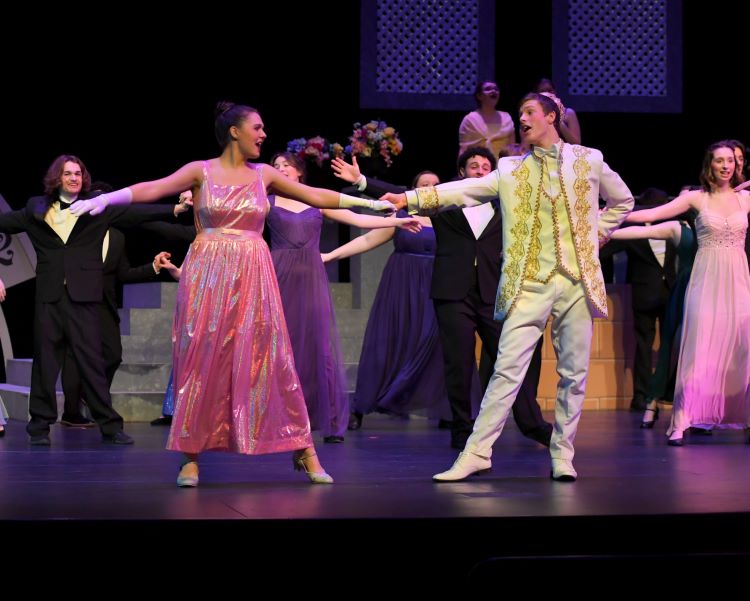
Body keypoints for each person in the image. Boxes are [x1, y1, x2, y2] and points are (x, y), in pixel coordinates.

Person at [71, 102, 396, 486]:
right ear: (234, 132)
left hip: (253, 271)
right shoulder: (201, 170)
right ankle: (190, 456)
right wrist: (106, 198)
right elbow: (153, 188)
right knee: (201, 358)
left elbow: (315, 195)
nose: (263, 134)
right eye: (256, 127)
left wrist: (369, 201)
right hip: (207, 271)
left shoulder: (265, 175)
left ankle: (304, 450)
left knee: (271, 358)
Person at [383, 93, 634, 481]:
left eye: (530, 112)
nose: (522, 119)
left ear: (551, 116)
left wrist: (594, 235)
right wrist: (409, 198)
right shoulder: (511, 168)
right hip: (529, 282)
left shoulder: (589, 160)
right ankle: (477, 452)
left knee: (574, 373)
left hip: (577, 281)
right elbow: (461, 191)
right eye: (519, 115)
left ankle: (562, 453)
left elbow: (622, 200)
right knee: (505, 370)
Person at [335, 148, 551, 450]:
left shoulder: (507, 203)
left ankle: (532, 423)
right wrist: (361, 181)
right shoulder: (446, 199)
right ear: (462, 172)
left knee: (511, 360)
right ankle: (462, 430)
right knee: (458, 365)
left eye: (485, 166)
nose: (479, 170)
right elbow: (403, 193)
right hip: (452, 292)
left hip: (491, 294)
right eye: (473, 166)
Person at [0, 155, 180, 446]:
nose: (74, 178)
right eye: (68, 173)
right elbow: (5, 223)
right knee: (45, 364)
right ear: (56, 177)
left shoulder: (96, 208)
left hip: (83, 298)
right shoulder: (37, 208)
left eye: (78, 174)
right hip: (49, 298)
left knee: (92, 363)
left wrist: (174, 208)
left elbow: (135, 213)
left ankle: (109, 426)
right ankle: (39, 427)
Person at [268, 151, 420, 443]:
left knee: (318, 344)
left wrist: (396, 222)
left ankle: (327, 417)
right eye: (276, 166)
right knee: (279, 344)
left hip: (310, 277)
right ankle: (277, 416)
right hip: (278, 275)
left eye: (286, 165)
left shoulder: (316, 199)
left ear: (300, 172)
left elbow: (355, 219)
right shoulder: (268, 202)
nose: (281, 169)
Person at [626, 141, 750, 445]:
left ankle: (743, 415)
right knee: (698, 347)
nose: (725, 166)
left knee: (741, 348)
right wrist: (609, 216)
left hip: (737, 281)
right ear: (709, 165)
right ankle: (682, 420)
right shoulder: (696, 198)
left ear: (737, 164)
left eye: (730, 161)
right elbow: (651, 214)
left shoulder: (745, 199)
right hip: (706, 279)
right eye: (719, 161)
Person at [324, 167, 464, 428]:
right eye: (423, 185)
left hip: (436, 286)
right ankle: (362, 407)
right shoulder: (401, 215)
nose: (428, 189)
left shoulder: (449, 218)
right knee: (387, 343)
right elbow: (367, 240)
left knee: (436, 347)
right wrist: (331, 256)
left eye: (434, 185)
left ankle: (448, 411)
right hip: (400, 286)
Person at [61, 183, 188, 427]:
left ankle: (91, 396)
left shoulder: (117, 237)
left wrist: (153, 267)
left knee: (113, 354)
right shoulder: (75, 231)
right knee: (74, 356)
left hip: (104, 304)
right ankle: (71, 412)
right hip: (76, 300)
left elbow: (124, 274)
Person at [607, 210, 698, 427]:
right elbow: (638, 231)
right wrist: (602, 227)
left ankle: (696, 409)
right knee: (671, 348)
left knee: (700, 352)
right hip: (682, 292)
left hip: (711, 290)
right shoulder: (678, 229)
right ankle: (651, 400)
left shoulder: (720, 224)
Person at [599, 188, 677, 411]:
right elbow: (607, 248)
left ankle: (664, 393)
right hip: (644, 296)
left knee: (670, 345)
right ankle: (640, 396)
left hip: (670, 293)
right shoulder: (634, 230)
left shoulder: (673, 228)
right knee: (643, 346)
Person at [458, 81, 516, 158]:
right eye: (488, 89)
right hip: (479, 167)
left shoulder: (506, 118)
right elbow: (464, 149)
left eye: (496, 89)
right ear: (479, 96)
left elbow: (512, 148)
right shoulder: (470, 120)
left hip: (502, 167)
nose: (493, 91)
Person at [534, 78, 581, 145]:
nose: (547, 94)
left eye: (550, 90)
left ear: (555, 92)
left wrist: (559, 120)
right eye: (542, 91)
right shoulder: (534, 115)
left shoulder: (568, 113)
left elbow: (576, 143)